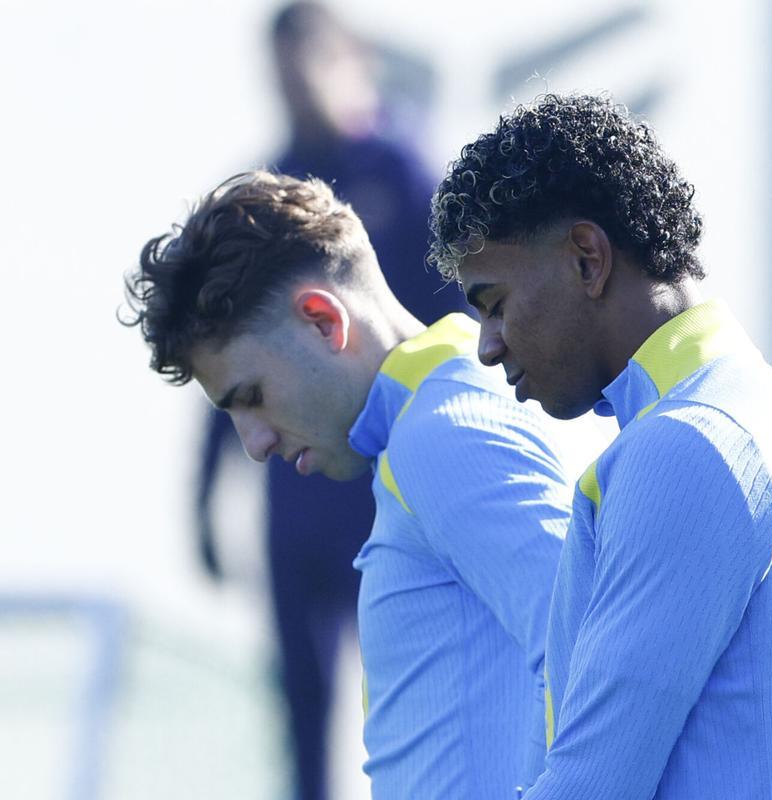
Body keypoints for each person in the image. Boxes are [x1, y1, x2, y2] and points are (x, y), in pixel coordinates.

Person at [429, 93, 772, 799]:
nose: (486, 346)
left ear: (587, 258)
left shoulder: (690, 444)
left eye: (494, 303)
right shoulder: (761, 407)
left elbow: (588, 785)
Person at [125, 171, 569, 798]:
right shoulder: (440, 414)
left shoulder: (445, 434)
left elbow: (601, 660)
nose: (255, 445)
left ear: (321, 320)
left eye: (251, 397)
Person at [194, 6, 464, 800]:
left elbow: (464, 315)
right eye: (275, 71)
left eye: (302, 64)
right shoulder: (262, 190)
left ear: (348, 59)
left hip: (381, 486)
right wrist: (205, 501)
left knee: (404, 686)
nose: (290, 87)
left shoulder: (405, 173)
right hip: (295, 503)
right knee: (302, 700)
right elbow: (224, 363)